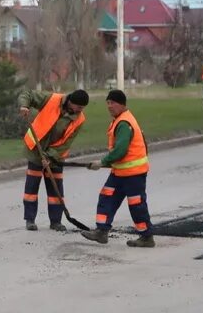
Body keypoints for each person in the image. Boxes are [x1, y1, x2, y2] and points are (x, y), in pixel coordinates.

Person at [79, 90, 155, 248]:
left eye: (113, 103)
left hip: (133, 174)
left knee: (136, 205)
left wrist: (102, 162)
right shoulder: (119, 120)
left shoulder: (123, 123)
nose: (109, 106)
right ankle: (101, 231)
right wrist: (104, 163)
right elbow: (119, 154)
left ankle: (147, 237)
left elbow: (120, 151)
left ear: (122, 104)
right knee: (106, 197)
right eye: (108, 103)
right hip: (120, 172)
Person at [18, 88, 88, 231]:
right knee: (31, 188)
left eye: (82, 108)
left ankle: (56, 221)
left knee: (55, 191)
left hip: (56, 156)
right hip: (35, 151)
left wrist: (50, 157)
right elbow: (28, 93)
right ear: (71, 102)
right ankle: (30, 220)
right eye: (79, 107)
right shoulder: (52, 99)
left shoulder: (79, 119)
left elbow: (67, 142)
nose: (80, 110)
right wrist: (24, 105)